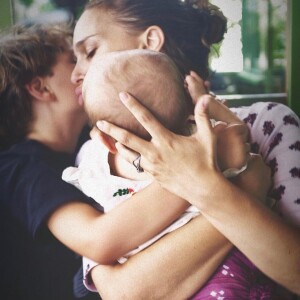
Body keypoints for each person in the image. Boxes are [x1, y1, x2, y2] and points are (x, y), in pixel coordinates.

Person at [0, 22, 258, 300]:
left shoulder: (86, 146)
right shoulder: (18, 168)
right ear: (40, 87)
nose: (80, 72)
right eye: (72, 60)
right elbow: (98, 240)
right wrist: (211, 159)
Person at [71, 0, 300, 298]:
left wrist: (210, 187)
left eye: (89, 52)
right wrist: (246, 187)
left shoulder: (267, 124)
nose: (75, 74)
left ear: (151, 42)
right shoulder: (101, 159)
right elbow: (122, 292)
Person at [64, 49, 268, 295]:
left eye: (91, 51)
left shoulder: (95, 162)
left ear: (107, 141)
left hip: (147, 267)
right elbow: (239, 133)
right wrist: (206, 102)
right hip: (222, 268)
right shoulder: (204, 143)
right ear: (187, 115)